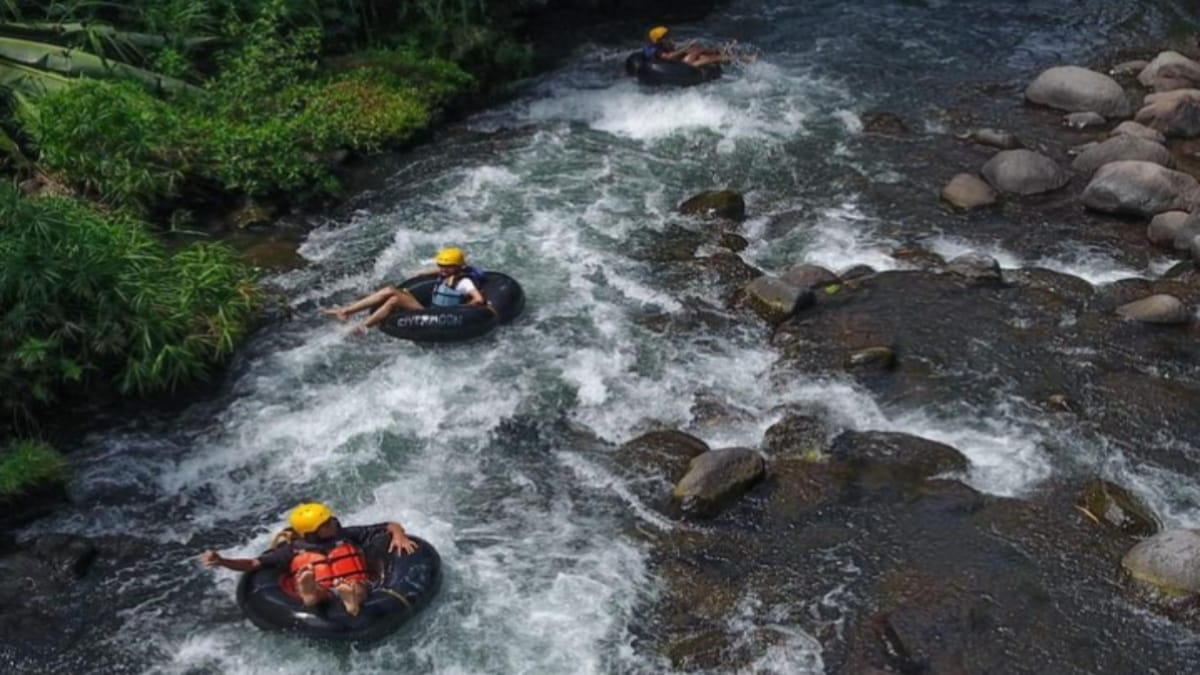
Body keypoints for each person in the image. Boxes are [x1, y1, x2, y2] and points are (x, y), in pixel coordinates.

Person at [198, 502, 418, 617]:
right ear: (312, 532)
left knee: (357, 585)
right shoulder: (291, 550)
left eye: (331, 520)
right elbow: (254, 564)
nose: (333, 523)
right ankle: (309, 590)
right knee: (318, 593)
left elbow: (389, 526)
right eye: (326, 524)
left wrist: (399, 536)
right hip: (322, 589)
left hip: (353, 583)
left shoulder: (346, 535)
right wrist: (222, 561)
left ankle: (351, 600)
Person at [321, 246, 487, 335]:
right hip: (432, 311)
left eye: (447, 267)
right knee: (393, 299)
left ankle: (348, 313)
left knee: (390, 291)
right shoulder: (447, 274)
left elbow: (478, 299)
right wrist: (422, 273)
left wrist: (464, 309)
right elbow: (439, 273)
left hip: (446, 316)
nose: (442, 270)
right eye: (440, 266)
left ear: (457, 267)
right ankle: (361, 325)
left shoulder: (464, 282)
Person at [642, 25, 732, 68]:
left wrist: (686, 47)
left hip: (676, 62)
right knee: (702, 55)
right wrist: (686, 47)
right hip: (678, 67)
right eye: (666, 36)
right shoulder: (656, 50)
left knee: (697, 50)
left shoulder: (662, 44)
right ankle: (731, 58)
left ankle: (721, 52)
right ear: (659, 39)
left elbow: (673, 51)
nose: (669, 36)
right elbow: (669, 57)